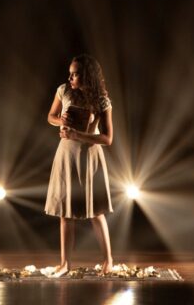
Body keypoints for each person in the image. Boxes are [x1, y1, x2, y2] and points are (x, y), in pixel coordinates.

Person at [45, 54, 114, 277]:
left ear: (87, 75)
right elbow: (51, 116)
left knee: (96, 212)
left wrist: (79, 135)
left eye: (75, 74)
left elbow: (107, 138)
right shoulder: (64, 90)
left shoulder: (101, 100)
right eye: (70, 73)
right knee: (66, 212)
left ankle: (108, 260)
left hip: (89, 156)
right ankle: (65, 263)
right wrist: (61, 120)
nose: (70, 77)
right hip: (66, 154)